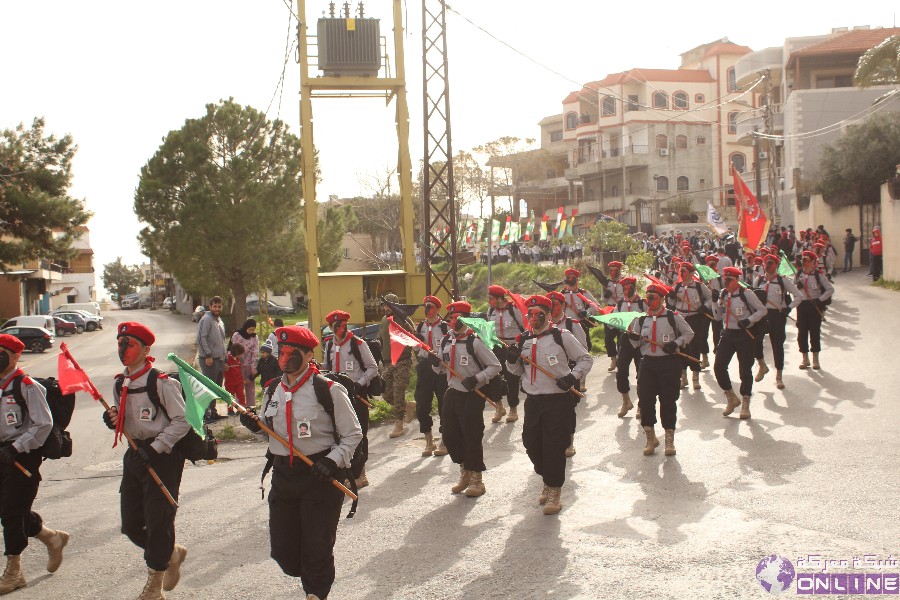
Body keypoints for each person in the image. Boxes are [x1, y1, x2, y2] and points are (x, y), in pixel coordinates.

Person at [239, 326, 362, 600]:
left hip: (320, 476)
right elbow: (267, 428)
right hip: (284, 477)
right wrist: (254, 425)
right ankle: (310, 578)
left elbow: (353, 434)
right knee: (283, 550)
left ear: (308, 355)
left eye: (291, 352)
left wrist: (333, 462)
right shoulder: (272, 389)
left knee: (317, 546)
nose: (284, 358)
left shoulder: (328, 389)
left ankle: (315, 593)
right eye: (282, 352)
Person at [103, 322, 190, 600]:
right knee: (130, 524)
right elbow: (126, 421)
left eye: (129, 344)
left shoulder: (162, 383)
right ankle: (169, 553)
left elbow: (183, 420)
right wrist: (112, 420)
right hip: (135, 455)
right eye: (120, 343)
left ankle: (155, 585)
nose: (123, 349)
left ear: (146, 349)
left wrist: (156, 448)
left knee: (158, 522)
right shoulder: (120, 383)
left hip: (162, 457)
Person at [506, 295, 593, 515]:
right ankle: (546, 477)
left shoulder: (561, 336)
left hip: (557, 400)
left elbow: (585, 359)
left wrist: (572, 377)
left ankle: (554, 490)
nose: (534, 319)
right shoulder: (523, 340)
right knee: (532, 444)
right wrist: (511, 359)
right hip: (534, 401)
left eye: (539, 314)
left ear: (547, 315)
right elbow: (516, 372)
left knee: (554, 447)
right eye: (531, 315)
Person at [0, 334, 69, 595]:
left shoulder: (27, 386)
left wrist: (16, 447)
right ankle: (52, 537)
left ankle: (14, 571)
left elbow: (43, 424)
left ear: (16, 356)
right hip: (2, 455)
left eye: (1, 352)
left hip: (22, 457)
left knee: (11, 514)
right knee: (8, 509)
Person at [429, 301, 501, 498]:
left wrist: (477, 379)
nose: (452, 321)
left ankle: (477, 478)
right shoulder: (445, 340)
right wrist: (436, 364)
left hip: (471, 395)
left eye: (456, 318)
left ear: (465, 319)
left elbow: (495, 366)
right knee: (450, 436)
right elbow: (441, 369)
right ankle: (464, 472)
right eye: (450, 317)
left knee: (471, 436)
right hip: (452, 392)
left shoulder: (475, 342)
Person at [626, 284, 694, 457]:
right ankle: (650, 437)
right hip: (648, 363)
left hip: (669, 364)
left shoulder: (673, 317)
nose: (649, 301)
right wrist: (633, 337)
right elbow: (637, 344)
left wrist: (676, 344)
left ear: (662, 299)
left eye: (653, 297)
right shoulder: (640, 320)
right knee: (646, 400)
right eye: (647, 297)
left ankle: (669, 439)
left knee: (668, 401)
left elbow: (688, 333)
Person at [322, 310, 377, 488]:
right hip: (337, 397)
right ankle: (345, 472)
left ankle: (361, 474)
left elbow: (372, 368)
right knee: (338, 435)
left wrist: (359, 384)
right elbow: (326, 367)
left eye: (343, 325)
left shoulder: (357, 344)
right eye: (336, 326)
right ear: (330, 328)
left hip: (356, 396)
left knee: (359, 435)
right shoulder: (329, 345)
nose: (340, 329)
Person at [714, 267, 767, 420]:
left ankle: (745, 401)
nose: (726, 282)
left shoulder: (747, 293)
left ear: (737, 280)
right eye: (725, 279)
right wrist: (714, 302)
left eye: (729, 279)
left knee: (744, 370)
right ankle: (731, 397)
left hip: (745, 334)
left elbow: (762, 310)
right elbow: (717, 316)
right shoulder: (723, 293)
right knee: (719, 367)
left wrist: (748, 320)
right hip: (728, 334)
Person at [546, 291, 587, 457]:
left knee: (568, 409)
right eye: (549, 305)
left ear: (563, 306)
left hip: (568, 373)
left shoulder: (572, 325)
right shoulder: (542, 326)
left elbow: (583, 352)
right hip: (547, 374)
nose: (552, 308)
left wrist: (578, 376)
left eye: (555, 304)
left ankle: (569, 441)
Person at [753, 254, 802, 389]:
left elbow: (798, 296)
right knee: (756, 341)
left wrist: (789, 308)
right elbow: (752, 298)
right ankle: (762, 365)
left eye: (771, 263)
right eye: (766, 262)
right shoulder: (758, 280)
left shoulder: (783, 281)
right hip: (762, 315)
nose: (768, 265)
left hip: (777, 315)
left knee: (777, 344)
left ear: (776, 265)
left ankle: (779, 376)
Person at [412, 297, 450, 457]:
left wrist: (440, 357)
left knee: (444, 406)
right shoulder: (420, 326)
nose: (427, 310)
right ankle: (429, 439)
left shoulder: (445, 327)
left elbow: (451, 346)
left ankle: (445, 440)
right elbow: (414, 347)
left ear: (438, 309)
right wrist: (417, 341)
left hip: (441, 369)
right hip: (425, 367)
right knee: (421, 405)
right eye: (425, 307)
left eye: (431, 307)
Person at [668, 263, 714, 391]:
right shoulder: (676, 287)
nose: (681, 273)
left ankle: (695, 377)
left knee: (694, 347)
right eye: (680, 271)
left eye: (684, 271)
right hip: (680, 318)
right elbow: (671, 303)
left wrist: (704, 307)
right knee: (681, 347)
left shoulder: (699, 286)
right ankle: (683, 377)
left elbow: (710, 298)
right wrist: (671, 297)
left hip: (695, 318)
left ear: (690, 272)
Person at [377, 294, 416, 439]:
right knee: (386, 394)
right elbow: (380, 340)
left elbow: (414, 337)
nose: (386, 308)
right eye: (385, 305)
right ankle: (408, 406)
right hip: (388, 363)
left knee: (398, 392)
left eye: (389, 305)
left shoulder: (403, 319)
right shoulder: (384, 320)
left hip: (402, 361)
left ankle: (399, 424)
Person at [486, 285, 525, 424]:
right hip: (496, 347)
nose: (489, 301)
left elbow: (525, 329)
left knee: (512, 378)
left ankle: (513, 409)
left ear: (500, 298)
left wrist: (519, 347)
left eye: (491, 299)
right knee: (492, 376)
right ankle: (499, 406)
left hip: (512, 347)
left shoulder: (514, 310)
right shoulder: (490, 311)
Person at [609, 277, 646, 419]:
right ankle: (626, 401)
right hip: (626, 340)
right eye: (623, 289)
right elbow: (613, 321)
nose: (625, 291)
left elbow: (649, 320)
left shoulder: (643, 303)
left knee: (641, 375)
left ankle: (641, 404)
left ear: (634, 287)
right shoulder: (620, 304)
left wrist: (641, 334)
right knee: (621, 372)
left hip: (641, 342)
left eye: (627, 288)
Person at [795, 251, 835, 370]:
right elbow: (792, 288)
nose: (804, 262)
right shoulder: (798, 274)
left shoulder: (819, 275)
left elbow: (830, 290)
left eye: (806, 260)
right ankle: (805, 358)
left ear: (813, 262)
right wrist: (797, 287)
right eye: (803, 260)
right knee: (802, 333)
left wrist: (819, 300)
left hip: (814, 306)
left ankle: (815, 358)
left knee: (814, 332)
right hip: (802, 306)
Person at [196, 295, 226, 420]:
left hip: (220, 359)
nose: (217, 308)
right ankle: (206, 414)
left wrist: (226, 359)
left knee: (216, 388)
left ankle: (213, 412)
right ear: (210, 307)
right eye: (215, 306)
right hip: (209, 360)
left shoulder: (219, 320)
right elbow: (201, 338)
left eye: (219, 306)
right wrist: (208, 355)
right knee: (208, 387)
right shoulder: (206, 319)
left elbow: (222, 341)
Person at [561, 268, 601, 355]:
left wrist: (586, 312)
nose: (570, 279)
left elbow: (596, 306)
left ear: (577, 279)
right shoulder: (561, 295)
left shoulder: (584, 293)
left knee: (585, 346)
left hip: (581, 324)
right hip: (564, 325)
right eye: (568, 277)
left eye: (573, 277)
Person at [230, 319, 259, 414]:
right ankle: (240, 407)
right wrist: (235, 362)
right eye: (249, 329)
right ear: (245, 327)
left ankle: (251, 407)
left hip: (249, 364)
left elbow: (255, 352)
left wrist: (253, 366)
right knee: (239, 387)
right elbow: (233, 349)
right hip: (238, 364)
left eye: (253, 330)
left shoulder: (254, 337)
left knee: (250, 387)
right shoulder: (236, 335)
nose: (251, 332)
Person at [224, 344, 246, 412]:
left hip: (239, 381)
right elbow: (225, 369)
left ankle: (242, 409)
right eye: (240, 354)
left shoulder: (239, 359)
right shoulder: (227, 358)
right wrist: (226, 368)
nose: (241, 356)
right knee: (230, 397)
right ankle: (230, 410)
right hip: (230, 382)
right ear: (236, 353)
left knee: (241, 395)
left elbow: (241, 368)